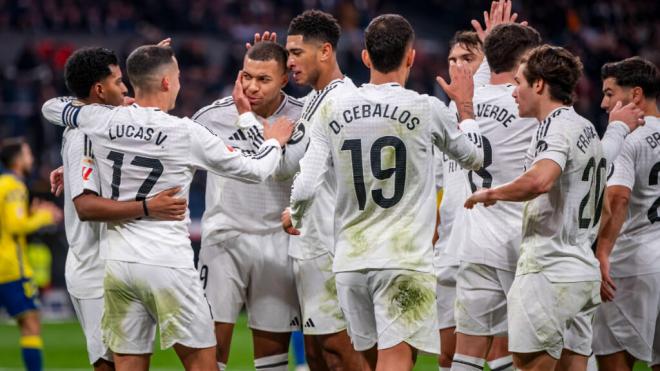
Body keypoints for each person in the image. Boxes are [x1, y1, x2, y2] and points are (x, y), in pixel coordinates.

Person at [41, 43, 294, 371]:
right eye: (176, 76)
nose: (179, 83)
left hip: (119, 264)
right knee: (204, 364)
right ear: (165, 83)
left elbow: (53, 107)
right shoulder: (184, 131)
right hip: (167, 262)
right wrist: (273, 139)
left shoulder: (101, 121)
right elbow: (256, 170)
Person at [287, 14, 483, 371]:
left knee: (366, 362)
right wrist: (466, 109)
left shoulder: (333, 108)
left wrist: (296, 216)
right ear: (411, 57)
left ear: (365, 58)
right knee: (395, 361)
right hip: (403, 261)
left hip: (350, 264)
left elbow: (304, 185)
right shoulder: (427, 108)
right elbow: (476, 157)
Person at [463, 45, 641, 371]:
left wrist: (490, 194)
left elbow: (539, 180)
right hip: (581, 274)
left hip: (549, 273)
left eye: (518, 83)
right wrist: (616, 126)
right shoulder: (584, 127)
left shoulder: (554, 127)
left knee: (529, 365)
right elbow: (604, 173)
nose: (514, 92)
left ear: (540, 85)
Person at [54, 45, 188, 371]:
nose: (126, 88)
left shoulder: (104, 129)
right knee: (109, 366)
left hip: (119, 264)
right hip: (93, 270)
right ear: (99, 90)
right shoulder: (83, 134)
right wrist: (147, 207)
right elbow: (86, 207)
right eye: (118, 81)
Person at [193, 41, 305, 371]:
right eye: (247, 76)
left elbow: (281, 168)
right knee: (210, 351)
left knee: (272, 358)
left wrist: (247, 120)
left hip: (278, 244)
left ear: (284, 79)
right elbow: (171, 150)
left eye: (264, 79)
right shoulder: (213, 117)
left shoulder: (300, 116)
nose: (252, 87)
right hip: (223, 241)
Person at [447, 21, 541, 371]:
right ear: (525, 60)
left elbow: (476, 92)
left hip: (475, 242)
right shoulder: (531, 108)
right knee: (534, 352)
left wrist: (493, 49)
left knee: (468, 353)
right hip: (522, 242)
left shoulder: (461, 107)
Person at [282, 10, 362, 370]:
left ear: (326, 51)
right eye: (288, 53)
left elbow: (314, 176)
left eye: (297, 52)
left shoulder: (341, 99)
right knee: (316, 354)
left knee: (340, 351)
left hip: (332, 244)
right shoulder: (318, 97)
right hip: (312, 242)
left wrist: (295, 210)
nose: (290, 62)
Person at [593, 56, 660, 371]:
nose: (604, 103)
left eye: (609, 93)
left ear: (635, 95)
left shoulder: (628, 139)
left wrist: (601, 252)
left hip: (633, 266)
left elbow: (618, 197)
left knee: (614, 360)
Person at [433, 30, 485, 371]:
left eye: (467, 58)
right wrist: (433, 231)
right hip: (449, 247)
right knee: (447, 355)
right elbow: (438, 185)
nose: (458, 65)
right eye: (453, 59)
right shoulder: (442, 112)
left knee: (494, 353)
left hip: (487, 246)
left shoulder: (510, 105)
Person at [0, 137, 62, 371]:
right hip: (9, 268)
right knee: (31, 323)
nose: (32, 159)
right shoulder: (14, 186)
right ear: (18, 160)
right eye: (28, 154)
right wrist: (44, 216)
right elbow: (16, 226)